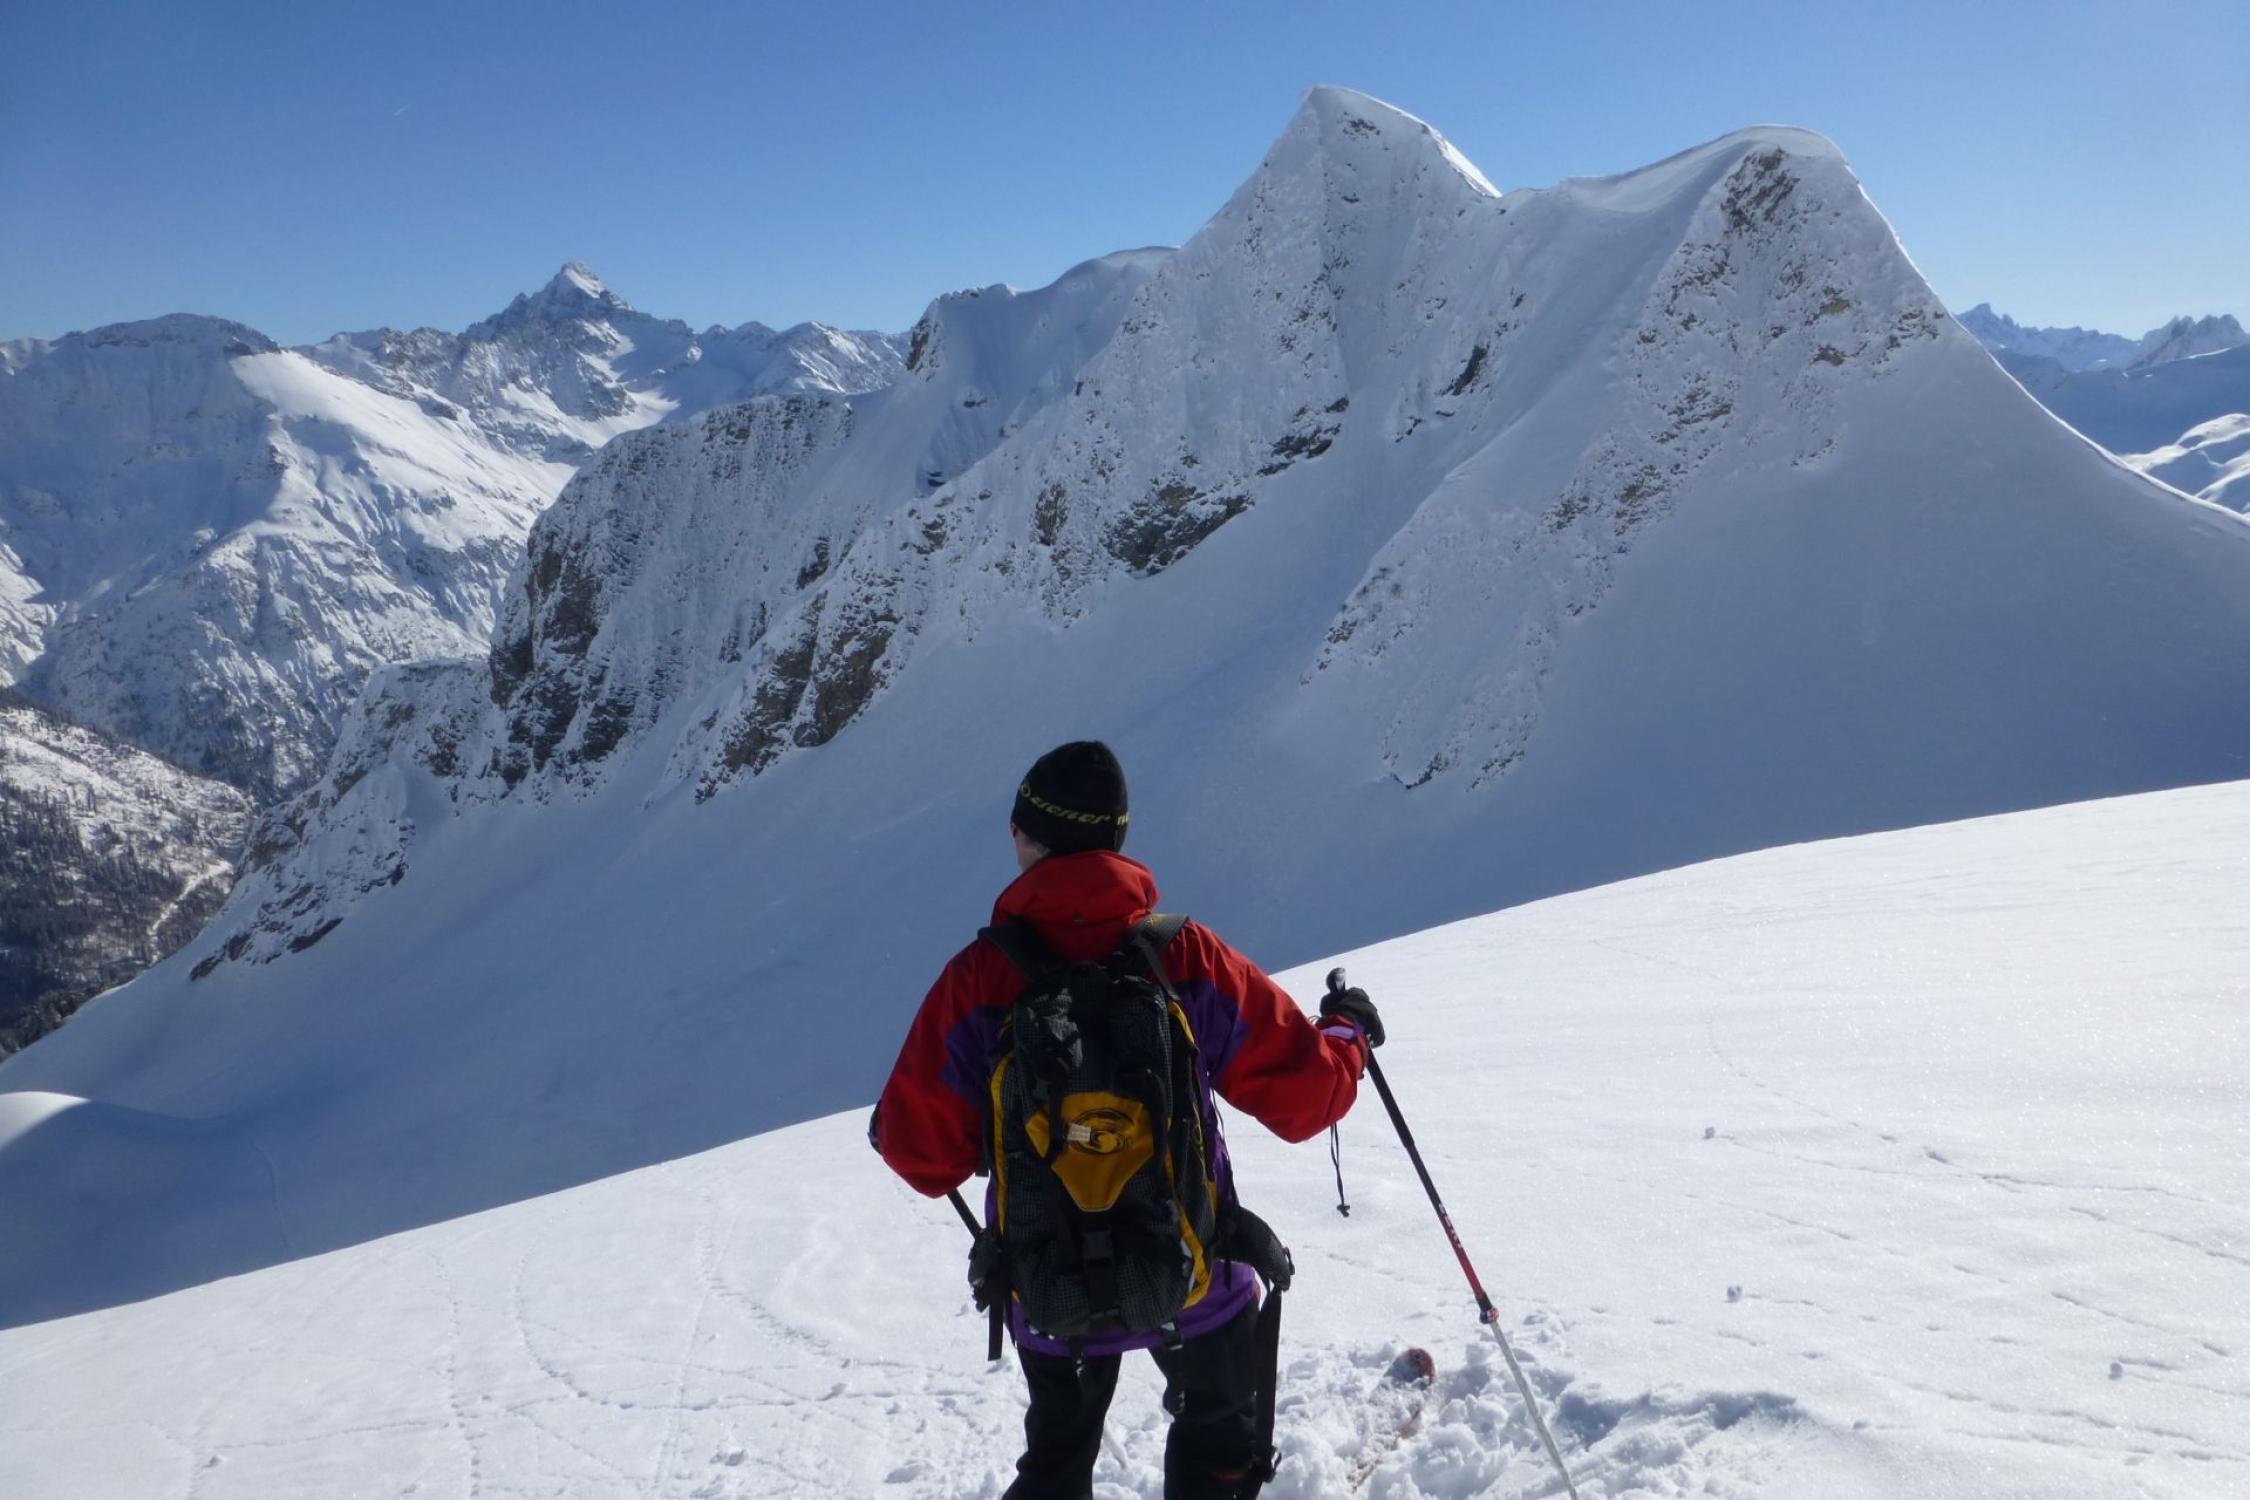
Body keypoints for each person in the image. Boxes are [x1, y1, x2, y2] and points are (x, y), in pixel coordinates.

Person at [873, 740, 1384, 1499]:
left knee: (1056, 1462)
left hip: (1049, 1284)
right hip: (1197, 1269)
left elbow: (921, 1155)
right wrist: (1347, 1034)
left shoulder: (979, 980)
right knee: (1221, 1441)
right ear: (1117, 838)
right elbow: (1309, 1098)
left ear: (1025, 837)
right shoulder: (1185, 956)